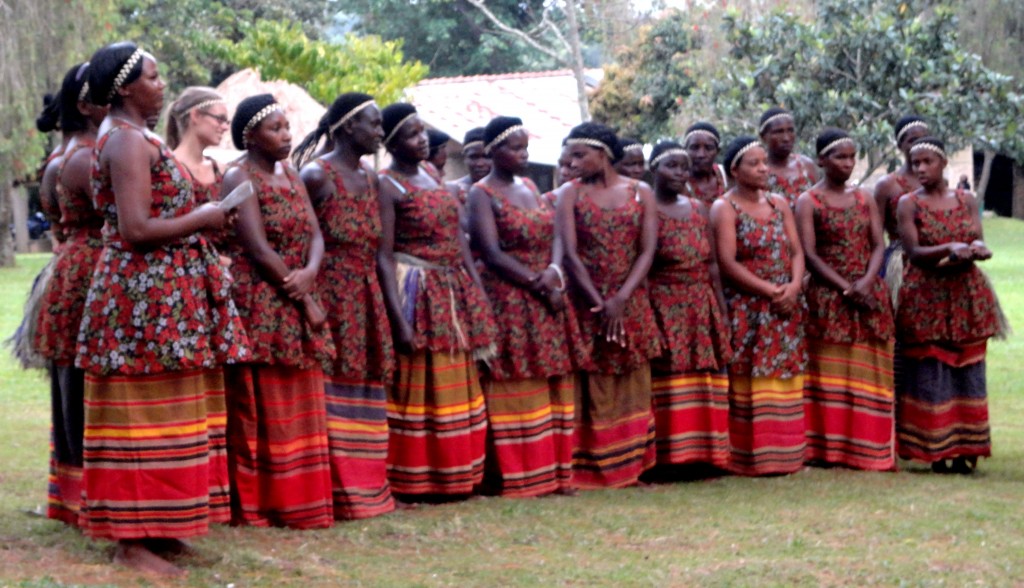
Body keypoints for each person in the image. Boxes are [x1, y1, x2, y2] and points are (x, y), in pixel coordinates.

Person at [75, 42, 248, 576]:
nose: (161, 84)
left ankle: (162, 527)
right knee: (137, 414)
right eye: (152, 77)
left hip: (163, 296)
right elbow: (136, 229)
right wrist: (206, 215)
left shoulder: (138, 136)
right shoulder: (125, 142)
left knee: (168, 412)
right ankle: (130, 542)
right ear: (126, 88)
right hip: (139, 298)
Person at [220, 94, 335, 528]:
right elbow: (258, 248)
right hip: (262, 302)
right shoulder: (237, 176)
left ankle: (303, 500)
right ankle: (262, 505)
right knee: (263, 404)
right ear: (250, 135)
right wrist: (304, 296)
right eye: (276, 129)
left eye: (288, 128)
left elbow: (315, 232)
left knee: (300, 400)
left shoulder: (290, 173)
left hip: (296, 291)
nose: (286, 136)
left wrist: (310, 270)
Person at [376, 103, 497, 499]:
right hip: (416, 287)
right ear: (392, 143)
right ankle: (418, 479)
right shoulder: (388, 184)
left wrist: (475, 289)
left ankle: (459, 474)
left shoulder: (431, 175)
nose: (422, 139)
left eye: (422, 131)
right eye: (412, 134)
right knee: (421, 378)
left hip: (452, 288)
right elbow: (385, 253)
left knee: (456, 375)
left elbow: (458, 239)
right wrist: (399, 319)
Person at [467, 116, 587, 497]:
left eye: (525, 147)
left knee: (552, 375)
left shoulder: (532, 185)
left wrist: (553, 271)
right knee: (517, 376)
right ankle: (522, 474)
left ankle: (556, 472)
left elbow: (552, 232)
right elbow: (490, 251)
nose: (523, 154)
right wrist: (537, 283)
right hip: (510, 297)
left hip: (548, 295)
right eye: (515, 148)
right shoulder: (482, 194)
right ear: (493, 152)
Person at [296, 92, 396, 520]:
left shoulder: (373, 180)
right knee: (331, 379)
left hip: (365, 290)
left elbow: (381, 248)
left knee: (365, 377)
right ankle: (337, 489)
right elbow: (300, 239)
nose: (380, 132)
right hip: (329, 292)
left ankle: (367, 486)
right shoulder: (316, 176)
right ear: (347, 128)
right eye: (373, 125)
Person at [557, 122, 661, 488]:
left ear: (603, 155)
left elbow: (647, 250)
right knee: (593, 378)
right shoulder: (569, 194)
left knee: (631, 375)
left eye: (580, 155)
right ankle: (591, 467)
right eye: (570, 155)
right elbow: (569, 254)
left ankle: (631, 465)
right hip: (588, 300)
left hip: (630, 298)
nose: (572, 162)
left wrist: (621, 299)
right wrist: (600, 303)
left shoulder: (640, 192)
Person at [895, 136, 1000, 474]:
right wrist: (948, 248)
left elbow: (976, 235)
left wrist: (978, 247)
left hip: (966, 293)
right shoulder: (908, 204)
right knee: (931, 370)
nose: (921, 169)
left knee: (967, 367)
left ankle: (967, 448)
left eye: (927, 162)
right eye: (916, 164)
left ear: (943, 163)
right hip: (926, 295)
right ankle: (935, 449)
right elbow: (913, 252)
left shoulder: (966, 199)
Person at [33, 62, 107, 527]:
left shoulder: (65, 155)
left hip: (73, 270)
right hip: (86, 275)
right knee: (77, 385)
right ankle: (82, 497)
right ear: (87, 104)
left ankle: (73, 495)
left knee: (72, 383)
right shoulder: (79, 157)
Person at [795, 129, 896, 471]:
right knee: (829, 374)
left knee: (870, 371)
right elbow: (809, 253)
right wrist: (846, 289)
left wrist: (867, 283)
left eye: (853, 157)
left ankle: (870, 449)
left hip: (869, 293)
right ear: (822, 160)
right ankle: (829, 450)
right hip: (828, 295)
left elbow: (878, 244)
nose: (849, 163)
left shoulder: (865, 197)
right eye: (840, 157)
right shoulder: (808, 201)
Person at [710, 136, 806, 476]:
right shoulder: (724, 208)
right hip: (749, 307)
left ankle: (787, 453)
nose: (764, 168)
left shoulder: (779, 203)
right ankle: (752, 456)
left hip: (785, 306)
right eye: (755, 163)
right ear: (735, 170)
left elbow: (796, 251)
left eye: (765, 162)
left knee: (784, 374)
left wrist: (793, 287)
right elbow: (727, 262)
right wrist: (771, 291)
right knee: (750, 377)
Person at [646, 141, 732, 471]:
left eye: (683, 167)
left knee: (704, 375)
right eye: (672, 166)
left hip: (701, 301)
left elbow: (711, 263)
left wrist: (719, 309)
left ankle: (706, 455)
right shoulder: (646, 208)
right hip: (664, 300)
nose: (680, 172)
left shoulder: (699, 208)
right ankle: (670, 458)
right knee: (669, 375)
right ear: (654, 170)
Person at [874, 115, 930, 295]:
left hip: (937, 257)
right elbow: (875, 234)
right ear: (900, 146)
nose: (919, 145)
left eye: (923, 139)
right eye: (913, 140)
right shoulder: (887, 185)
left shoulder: (937, 181)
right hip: (901, 261)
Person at [758, 107, 818, 206]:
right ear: (763, 137)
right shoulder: (758, 172)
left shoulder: (806, 165)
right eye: (778, 132)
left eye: (790, 130)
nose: (786, 138)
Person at [682, 121, 728, 205]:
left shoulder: (727, 176)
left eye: (709, 148)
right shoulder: (679, 183)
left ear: (717, 151)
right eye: (694, 147)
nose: (701, 154)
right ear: (685, 150)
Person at [449, 127, 491, 205]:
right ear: (465, 158)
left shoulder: (511, 189)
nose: (480, 163)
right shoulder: (453, 189)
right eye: (474, 157)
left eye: (487, 157)